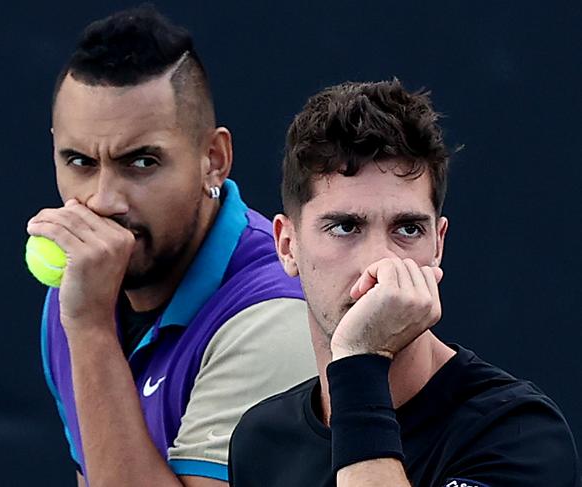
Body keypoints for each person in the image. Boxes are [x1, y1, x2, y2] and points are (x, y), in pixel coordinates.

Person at [228, 79, 581, 487]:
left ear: (439, 245)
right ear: (287, 246)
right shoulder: (261, 441)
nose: (379, 261)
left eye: (408, 229)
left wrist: (360, 362)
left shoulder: (518, 434)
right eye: (344, 227)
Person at [27, 5, 316, 486]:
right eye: (78, 161)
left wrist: (91, 331)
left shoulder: (278, 315)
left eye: (141, 162)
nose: (103, 200)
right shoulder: (79, 293)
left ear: (213, 160)